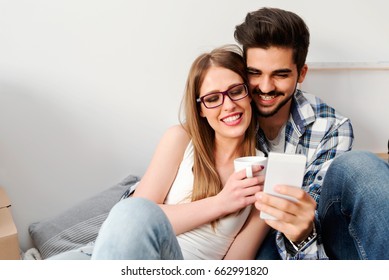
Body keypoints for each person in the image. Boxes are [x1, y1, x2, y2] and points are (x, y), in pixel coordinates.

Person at [86, 45, 270, 259]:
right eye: (212, 99)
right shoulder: (180, 139)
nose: (228, 105)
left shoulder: (265, 173)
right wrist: (221, 203)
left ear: (249, 94)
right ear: (200, 108)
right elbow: (134, 219)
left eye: (236, 91)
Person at [234, 7, 389, 260]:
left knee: (362, 165)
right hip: (252, 240)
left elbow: (312, 220)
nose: (265, 87)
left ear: (301, 74)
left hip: (318, 243)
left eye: (280, 74)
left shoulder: (333, 128)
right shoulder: (228, 114)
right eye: (255, 73)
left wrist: (301, 233)